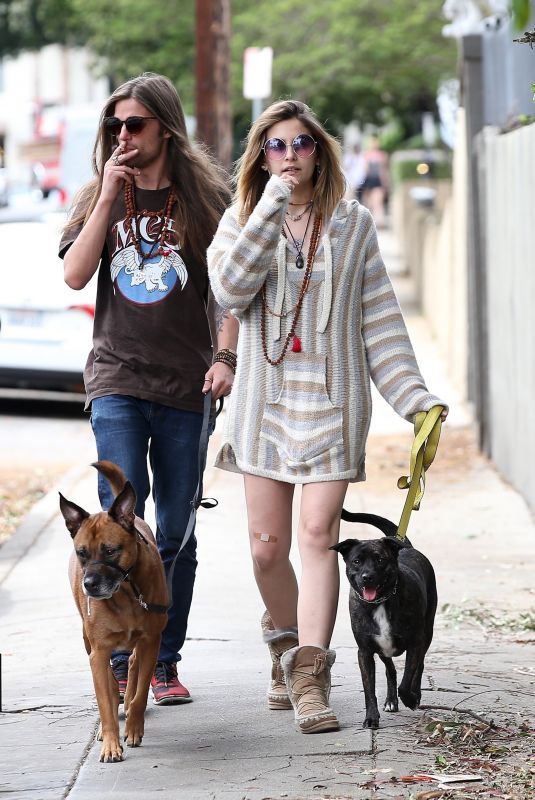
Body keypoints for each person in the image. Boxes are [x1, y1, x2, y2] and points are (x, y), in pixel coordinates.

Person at [207, 100, 447, 734]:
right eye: (276, 146)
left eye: (302, 145)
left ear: (320, 152)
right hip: (265, 406)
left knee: (317, 537)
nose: (290, 156)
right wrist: (267, 207)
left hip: (334, 405)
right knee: (266, 549)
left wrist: (418, 400)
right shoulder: (238, 221)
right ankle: (283, 644)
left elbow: (380, 321)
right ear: (261, 155)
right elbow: (230, 289)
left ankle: (311, 677)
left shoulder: (352, 223)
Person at [59, 73, 238, 706]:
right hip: (117, 378)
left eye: (134, 125)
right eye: (114, 127)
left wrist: (225, 356)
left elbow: (232, 289)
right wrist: (108, 194)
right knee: (120, 522)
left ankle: (161, 657)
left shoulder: (204, 199)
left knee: (176, 531)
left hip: (188, 385)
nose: (123, 137)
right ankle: (113, 647)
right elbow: (76, 276)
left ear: (165, 126)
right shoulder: (98, 194)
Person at [361, 135, 389, 227]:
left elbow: (381, 170)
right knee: (373, 202)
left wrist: (385, 182)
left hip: (374, 180)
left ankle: (376, 221)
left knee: (375, 202)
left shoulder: (369, 155)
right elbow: (366, 170)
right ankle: (376, 221)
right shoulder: (379, 155)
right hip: (373, 180)